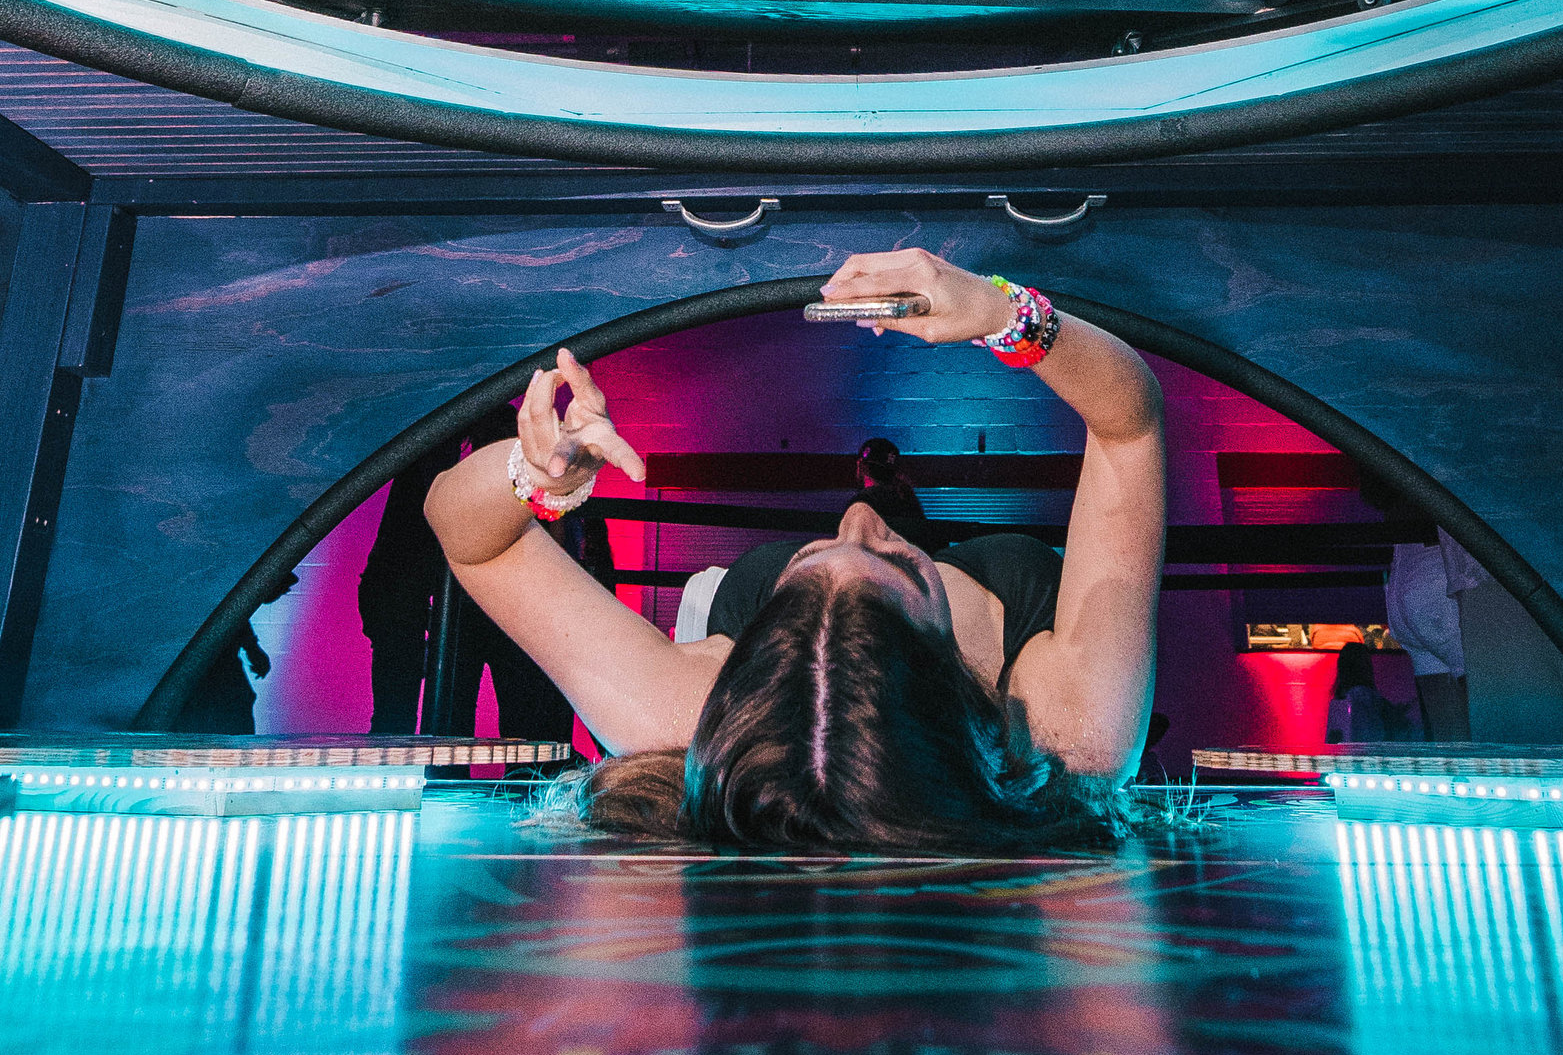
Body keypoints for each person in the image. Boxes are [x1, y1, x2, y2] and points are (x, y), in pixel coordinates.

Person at [422, 250, 1167, 848]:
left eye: (802, 567)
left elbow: (472, 541)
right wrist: (1005, 313)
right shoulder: (1068, 733)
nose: (857, 518)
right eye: (902, 565)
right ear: (952, 680)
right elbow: (1129, 428)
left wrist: (538, 476)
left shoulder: (676, 709)